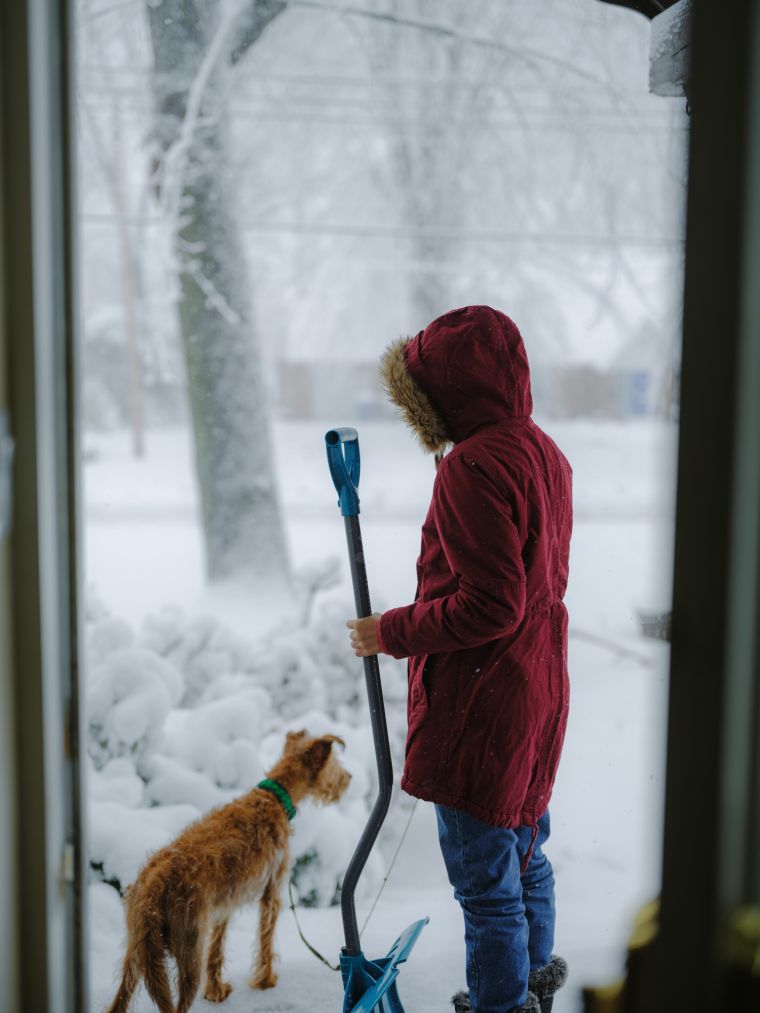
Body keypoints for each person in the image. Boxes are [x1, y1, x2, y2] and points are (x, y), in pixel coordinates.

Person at [347, 306, 571, 1013]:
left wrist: (389, 631)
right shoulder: (544, 452)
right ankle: (532, 988)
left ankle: (501, 1005)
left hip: (484, 699)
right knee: (524, 848)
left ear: (444, 392)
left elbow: (490, 605)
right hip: (536, 686)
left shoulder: (471, 466)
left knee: (486, 881)